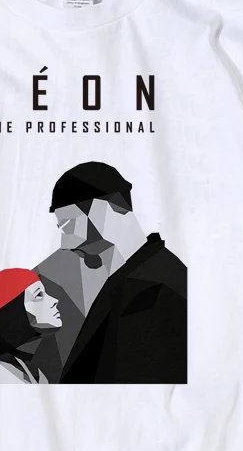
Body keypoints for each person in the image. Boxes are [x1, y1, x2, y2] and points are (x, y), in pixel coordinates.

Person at [36, 161, 187, 383]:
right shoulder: (138, 279)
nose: (65, 245)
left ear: (102, 210)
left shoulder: (149, 291)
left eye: (67, 225)